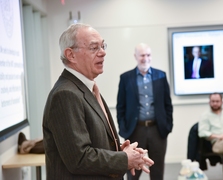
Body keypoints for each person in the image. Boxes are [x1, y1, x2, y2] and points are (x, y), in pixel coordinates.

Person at [42, 24, 154, 179]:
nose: (103, 53)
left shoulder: (86, 87)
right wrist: (124, 159)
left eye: (103, 46)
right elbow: (79, 159)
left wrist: (121, 153)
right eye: (94, 48)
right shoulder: (65, 94)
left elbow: (91, 144)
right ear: (71, 54)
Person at [116, 43, 173, 180]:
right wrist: (124, 129)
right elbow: (121, 106)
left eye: (148, 55)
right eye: (142, 55)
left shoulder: (161, 76)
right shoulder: (125, 78)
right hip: (135, 130)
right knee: (133, 172)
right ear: (135, 56)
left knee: (157, 170)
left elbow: (167, 104)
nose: (145, 58)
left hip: (157, 130)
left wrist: (167, 126)